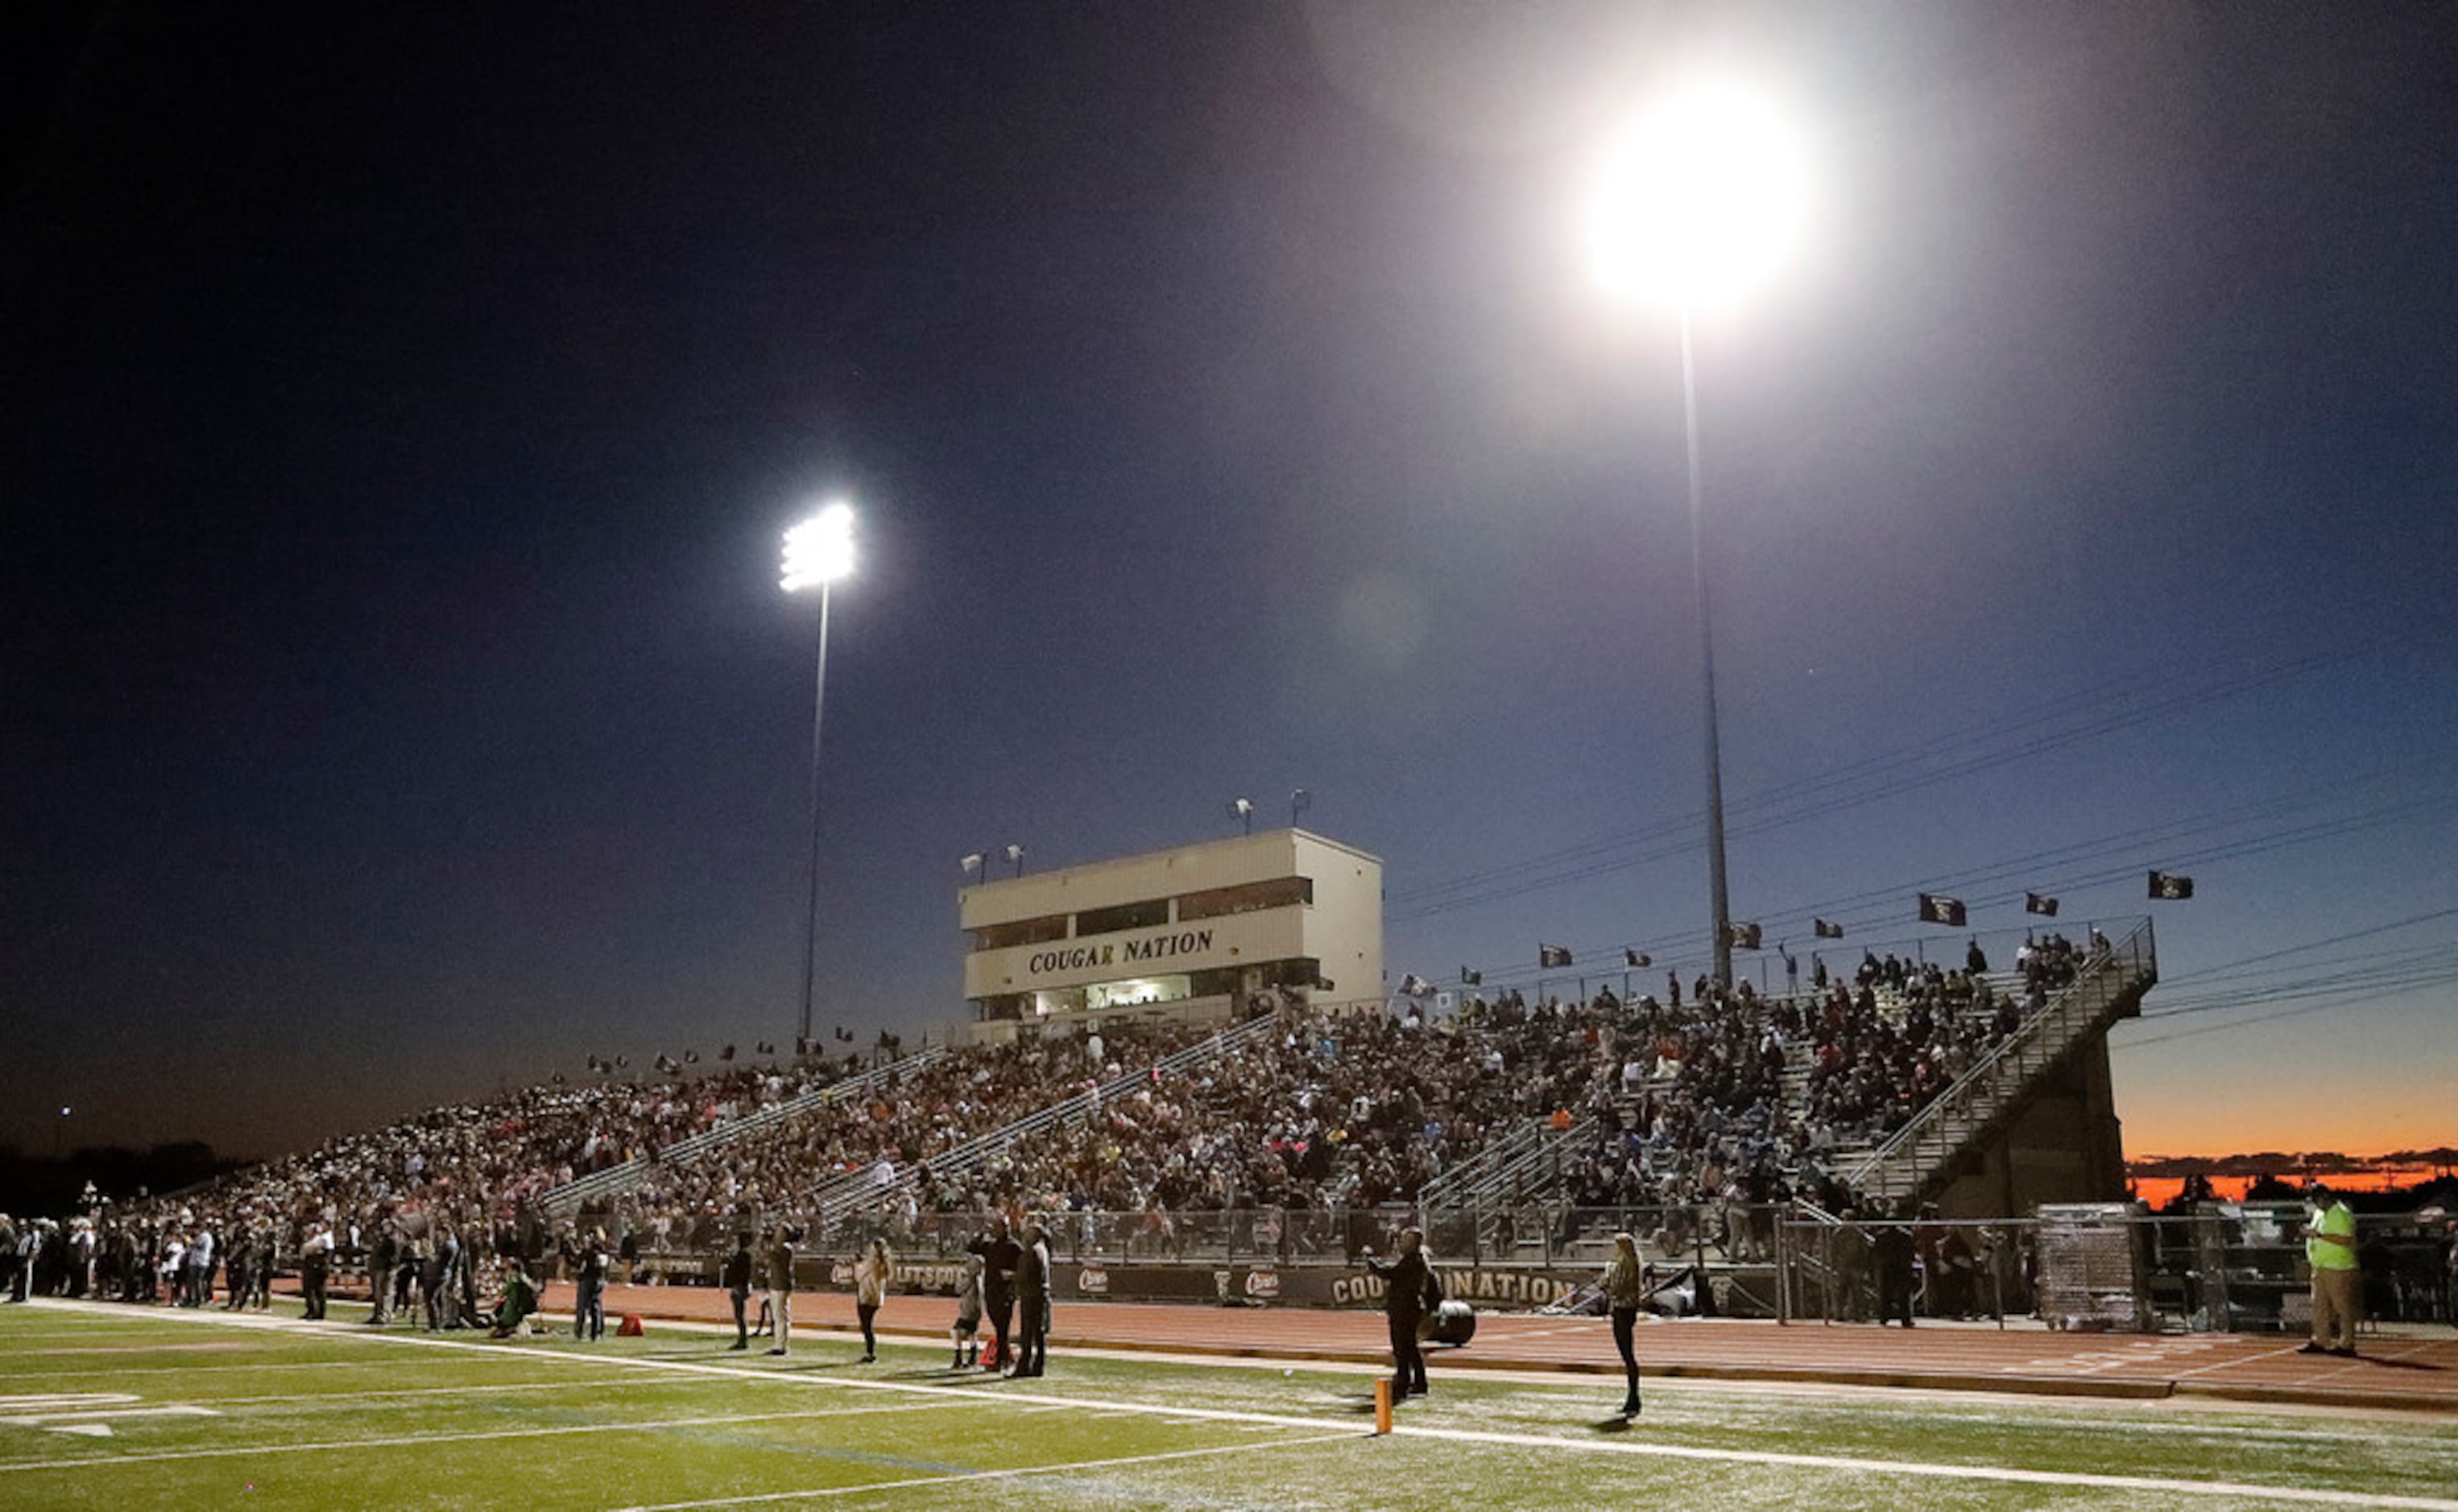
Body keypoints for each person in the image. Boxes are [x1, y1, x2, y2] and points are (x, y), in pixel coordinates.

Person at [1364, 1225, 1441, 1399]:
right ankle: (1419, 1383)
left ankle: (1403, 1382)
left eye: (1405, 1240)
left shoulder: (1412, 1262)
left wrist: (1371, 1260)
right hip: (1410, 1308)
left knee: (1402, 1348)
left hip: (1405, 1309)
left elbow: (1389, 1273)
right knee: (1410, 1347)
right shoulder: (1415, 1261)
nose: (1401, 1244)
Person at [2300, 1184, 2361, 1357]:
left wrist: (2318, 1235)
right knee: (2319, 1306)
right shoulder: (2320, 1213)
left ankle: (2347, 1343)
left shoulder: (2340, 1213)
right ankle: (2320, 1339)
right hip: (2320, 1266)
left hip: (2338, 1266)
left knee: (2342, 1307)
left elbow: (2346, 1240)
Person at [969, 1216, 1020, 1372]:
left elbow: (1022, 1268)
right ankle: (1004, 1358)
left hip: (1005, 1291)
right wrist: (981, 1233)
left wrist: (1012, 1277)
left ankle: (1001, 1360)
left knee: (1002, 1327)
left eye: (1002, 1227)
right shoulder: (990, 1246)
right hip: (990, 1289)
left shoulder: (1014, 1247)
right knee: (997, 1324)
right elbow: (971, 1248)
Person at [1603, 1230, 1645, 1416]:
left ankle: (1633, 1397)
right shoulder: (1634, 1265)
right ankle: (1633, 1396)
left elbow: (1615, 1289)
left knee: (1627, 1354)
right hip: (1630, 1309)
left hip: (1622, 1309)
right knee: (1628, 1355)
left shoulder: (1620, 1267)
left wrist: (1606, 1280)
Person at [1010, 1219, 1050, 1378]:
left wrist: (1012, 1277)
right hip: (1040, 1294)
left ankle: (1024, 1365)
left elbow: (1027, 1275)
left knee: (1027, 1332)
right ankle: (1038, 1365)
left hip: (1031, 1295)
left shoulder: (1032, 1251)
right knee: (1038, 1333)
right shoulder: (1043, 1250)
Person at [855, 1237, 892, 1364]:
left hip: (866, 1296)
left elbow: (859, 1276)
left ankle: (870, 1353)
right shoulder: (884, 1263)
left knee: (866, 1326)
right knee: (867, 1325)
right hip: (876, 1298)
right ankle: (870, 1352)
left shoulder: (871, 1263)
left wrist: (858, 1263)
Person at [764, 1225, 796, 1357]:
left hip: (781, 1285)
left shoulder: (786, 1248)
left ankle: (781, 1345)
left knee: (780, 1316)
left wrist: (766, 1245)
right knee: (777, 1316)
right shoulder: (779, 1248)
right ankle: (778, 1343)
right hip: (775, 1284)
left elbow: (773, 1257)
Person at [951, 1250, 984, 1370]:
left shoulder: (973, 1278)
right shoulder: (979, 1278)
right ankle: (972, 1357)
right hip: (974, 1309)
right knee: (971, 1333)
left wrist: (962, 1279)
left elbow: (959, 1289)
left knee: (955, 1331)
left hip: (969, 1309)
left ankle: (958, 1357)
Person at [721, 1234, 755, 1349]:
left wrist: (737, 1284)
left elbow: (742, 1273)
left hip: (741, 1286)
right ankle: (742, 1338)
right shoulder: (740, 1256)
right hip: (740, 1286)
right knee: (739, 1314)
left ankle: (743, 1340)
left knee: (740, 1314)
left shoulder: (744, 1256)